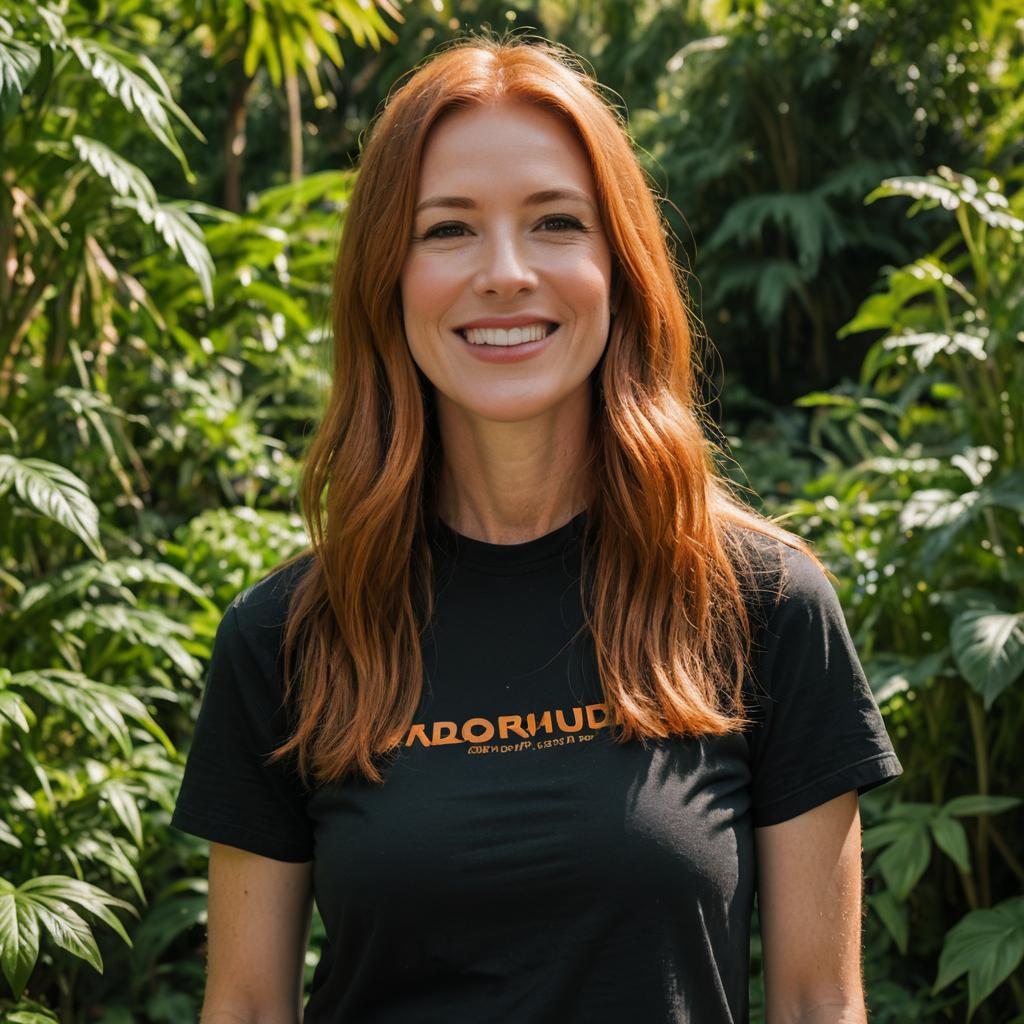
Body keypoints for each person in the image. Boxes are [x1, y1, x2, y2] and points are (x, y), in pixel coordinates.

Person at [171, 33, 903, 1024]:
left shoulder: (761, 603)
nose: (506, 272)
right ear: (388, 276)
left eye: (556, 222)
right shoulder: (289, 633)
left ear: (620, 265)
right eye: (447, 230)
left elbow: (820, 1003)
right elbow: (248, 1008)